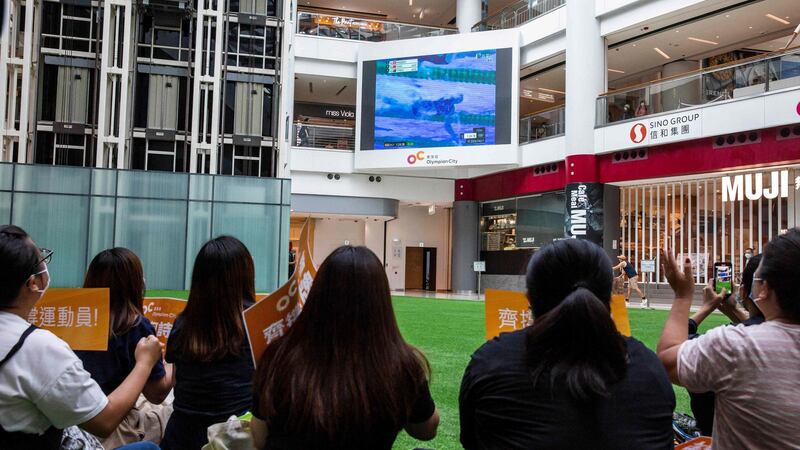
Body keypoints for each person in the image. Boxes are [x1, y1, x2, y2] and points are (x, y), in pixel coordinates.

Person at [459, 239, 675, 449]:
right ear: (608, 296)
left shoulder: (491, 362)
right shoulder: (648, 367)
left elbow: (472, 440)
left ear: (529, 298)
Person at [251, 246, 439, 449]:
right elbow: (426, 430)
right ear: (381, 301)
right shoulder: (402, 365)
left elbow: (259, 437)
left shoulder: (278, 355)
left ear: (317, 293)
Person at [0, 225, 163, 449]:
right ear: (33, 283)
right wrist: (145, 362)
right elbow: (104, 421)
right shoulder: (39, 347)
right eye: (42, 259)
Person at [657, 229, 800, 449]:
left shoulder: (737, 345)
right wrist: (735, 312)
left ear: (764, 289)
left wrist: (683, 295)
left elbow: (667, 361)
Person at [161, 236, 257, 450]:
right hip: (235, 440)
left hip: (181, 440)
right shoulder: (257, 323)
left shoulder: (183, 325)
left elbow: (178, 381)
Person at [75, 248, 174, 448]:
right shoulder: (135, 325)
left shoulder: (76, 320)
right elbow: (157, 393)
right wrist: (177, 357)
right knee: (172, 412)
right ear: (134, 283)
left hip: (75, 422)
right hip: (114, 427)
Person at [685, 254, 763, 436]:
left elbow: (674, 353)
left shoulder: (729, 342)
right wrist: (734, 310)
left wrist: (701, 305)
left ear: (744, 292)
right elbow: (762, 325)